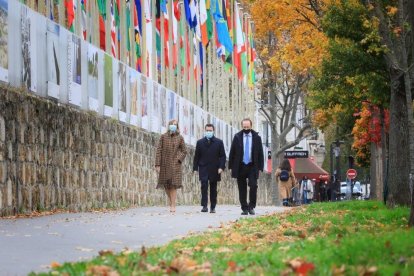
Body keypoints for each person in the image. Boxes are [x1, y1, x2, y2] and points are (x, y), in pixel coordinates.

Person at [229, 118, 264, 215]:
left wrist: (260, 167)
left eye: (247, 127)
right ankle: (244, 207)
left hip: (252, 165)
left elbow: (260, 153)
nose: (246, 128)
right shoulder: (237, 137)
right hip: (240, 166)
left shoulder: (257, 137)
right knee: (242, 188)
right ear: (242, 126)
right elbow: (232, 152)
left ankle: (251, 206)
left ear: (251, 126)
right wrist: (231, 166)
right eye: (244, 127)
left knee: (253, 185)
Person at [155, 119, 187, 213]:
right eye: (172, 124)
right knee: (166, 184)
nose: (173, 126)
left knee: (173, 185)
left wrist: (178, 159)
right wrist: (157, 164)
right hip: (164, 164)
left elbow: (184, 151)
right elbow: (159, 150)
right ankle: (171, 201)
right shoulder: (163, 137)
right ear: (169, 125)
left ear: (177, 127)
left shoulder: (180, 138)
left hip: (175, 165)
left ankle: (173, 205)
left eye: (175, 125)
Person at [193, 124, 226, 213]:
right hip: (203, 167)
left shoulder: (219, 142)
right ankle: (204, 206)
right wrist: (195, 168)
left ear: (213, 131)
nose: (209, 132)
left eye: (210, 130)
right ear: (205, 131)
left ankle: (213, 207)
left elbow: (222, 156)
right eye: (207, 130)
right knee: (204, 186)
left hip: (214, 168)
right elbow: (197, 156)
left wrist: (221, 167)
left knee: (213, 188)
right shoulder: (200, 142)